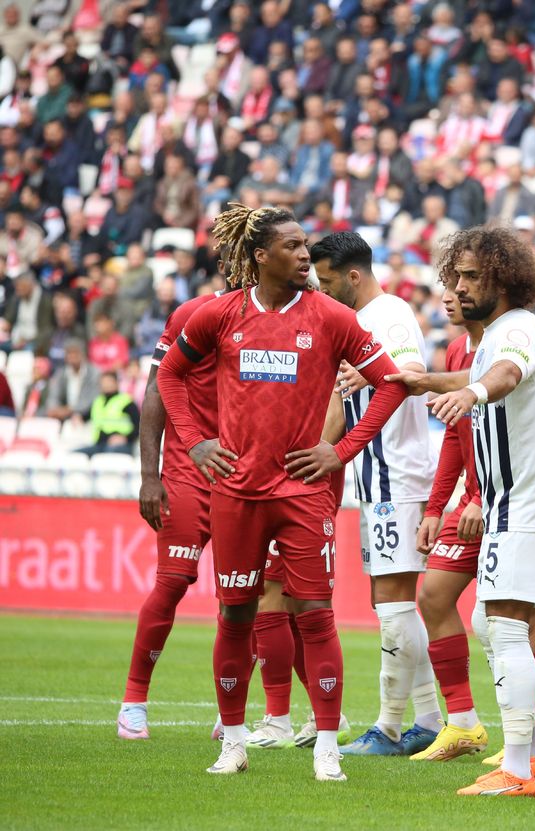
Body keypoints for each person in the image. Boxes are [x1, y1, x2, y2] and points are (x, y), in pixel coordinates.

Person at [156, 204, 409, 782]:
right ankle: (236, 742)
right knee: (235, 616)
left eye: (306, 246)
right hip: (237, 493)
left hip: (302, 493)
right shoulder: (220, 316)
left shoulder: (329, 317)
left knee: (315, 615)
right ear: (260, 256)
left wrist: (339, 451)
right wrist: (194, 442)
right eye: (293, 247)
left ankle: (325, 746)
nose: (305, 257)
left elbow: (390, 385)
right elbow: (168, 374)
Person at [387, 226, 535, 797]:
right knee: (494, 622)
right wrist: (423, 382)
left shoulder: (518, 330)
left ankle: (515, 771)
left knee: (507, 626)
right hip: (509, 502)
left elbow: (502, 376)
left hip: (524, 502)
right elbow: (476, 374)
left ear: (505, 279)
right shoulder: (494, 335)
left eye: (470, 277)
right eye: (455, 276)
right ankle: (533, 753)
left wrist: (472, 395)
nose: (458, 288)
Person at [310, 231, 441, 758]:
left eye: (327, 281)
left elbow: (409, 373)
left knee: (391, 601)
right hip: (376, 473)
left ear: (353, 276)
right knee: (394, 602)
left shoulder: (389, 314)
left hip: (396, 474)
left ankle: (388, 728)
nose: (322, 290)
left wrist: (363, 371)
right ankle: (429, 719)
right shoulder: (364, 320)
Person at [408, 265, 490, 762]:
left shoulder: (511, 346)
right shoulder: (454, 353)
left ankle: (531, 736)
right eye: (447, 290)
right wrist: (437, 507)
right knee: (434, 597)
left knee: (513, 617)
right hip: (471, 499)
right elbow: (456, 444)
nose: (450, 298)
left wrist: (484, 497)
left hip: (514, 498)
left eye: (462, 288)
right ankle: (461, 723)